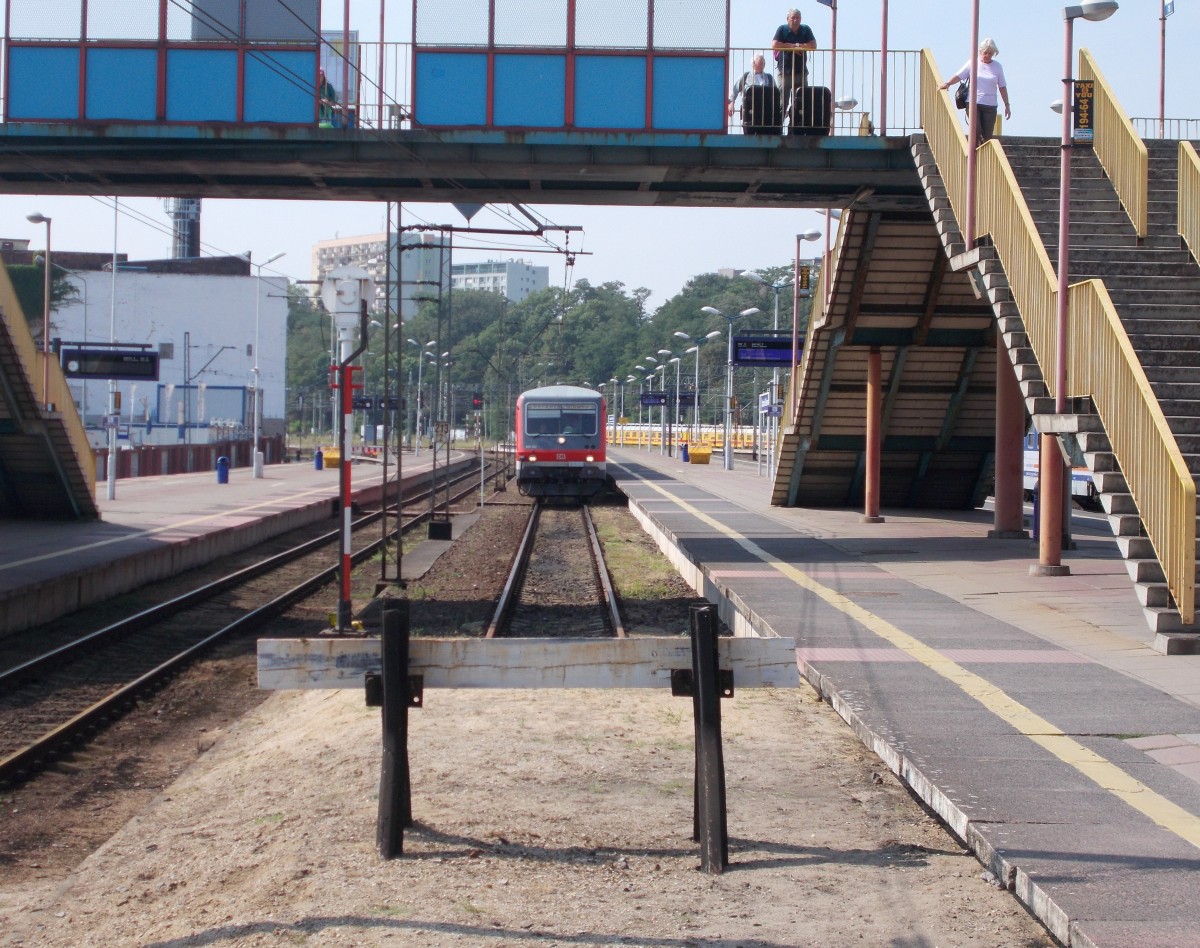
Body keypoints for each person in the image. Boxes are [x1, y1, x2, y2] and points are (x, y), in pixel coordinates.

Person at [939, 38, 1011, 146]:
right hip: (973, 103)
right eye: (985, 53)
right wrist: (947, 83)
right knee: (976, 130)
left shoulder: (997, 67)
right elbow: (959, 75)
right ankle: (972, 156)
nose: (987, 56)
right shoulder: (973, 62)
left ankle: (981, 159)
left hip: (990, 106)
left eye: (990, 53)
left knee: (987, 136)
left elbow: (1002, 87)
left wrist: (1007, 105)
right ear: (980, 52)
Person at [771, 8, 817, 128]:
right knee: (783, 102)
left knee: (800, 102)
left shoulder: (805, 29)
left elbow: (813, 45)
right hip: (785, 73)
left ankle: (796, 126)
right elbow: (774, 44)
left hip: (801, 72)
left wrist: (797, 46)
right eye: (793, 18)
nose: (795, 20)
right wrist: (793, 47)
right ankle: (778, 127)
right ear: (788, 19)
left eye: (798, 18)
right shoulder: (782, 29)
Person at [728, 54, 782, 135]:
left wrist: (781, 106)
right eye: (759, 62)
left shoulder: (769, 77)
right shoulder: (745, 76)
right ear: (753, 64)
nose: (762, 65)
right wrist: (731, 103)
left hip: (766, 112)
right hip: (750, 112)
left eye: (763, 63)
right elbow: (735, 90)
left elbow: (776, 94)